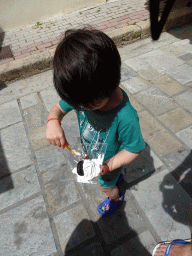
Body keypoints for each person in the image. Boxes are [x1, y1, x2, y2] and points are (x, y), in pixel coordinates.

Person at [46, 28, 145, 217]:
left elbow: (134, 148)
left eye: (82, 105)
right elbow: (57, 109)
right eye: (75, 104)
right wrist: (52, 121)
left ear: (101, 94)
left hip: (106, 165)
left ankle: (115, 198)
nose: (77, 107)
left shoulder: (125, 116)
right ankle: (116, 176)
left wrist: (106, 167)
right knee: (108, 175)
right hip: (94, 155)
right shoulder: (84, 92)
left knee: (104, 186)